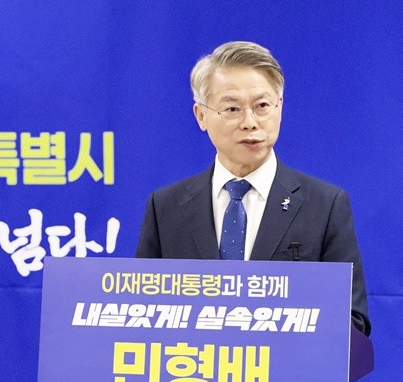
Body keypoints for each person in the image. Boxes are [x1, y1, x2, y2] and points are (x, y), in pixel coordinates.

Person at [135, 41, 370, 336]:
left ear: (279, 107)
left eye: (262, 106)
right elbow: (139, 313)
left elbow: (352, 323)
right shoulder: (165, 208)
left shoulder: (324, 205)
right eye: (232, 108)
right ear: (201, 115)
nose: (250, 123)